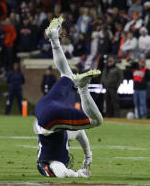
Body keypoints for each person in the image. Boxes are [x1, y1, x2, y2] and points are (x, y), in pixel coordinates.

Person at [33, 16, 103, 178]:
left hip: (51, 118)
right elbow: (79, 134)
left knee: (96, 121)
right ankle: (53, 39)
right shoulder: (65, 136)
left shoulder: (46, 163)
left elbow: (61, 172)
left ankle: (83, 88)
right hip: (43, 107)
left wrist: (77, 175)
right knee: (67, 74)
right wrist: (88, 156)